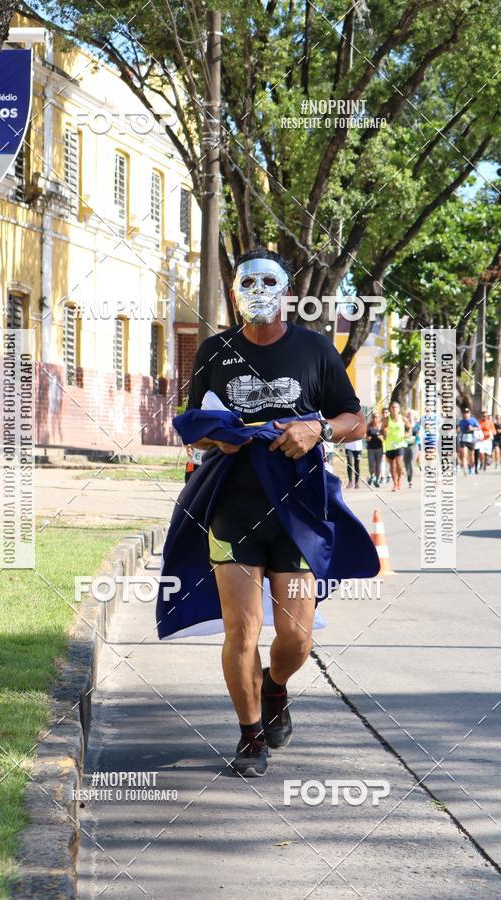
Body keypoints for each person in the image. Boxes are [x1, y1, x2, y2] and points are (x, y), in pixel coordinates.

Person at [176, 247, 378, 777]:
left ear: (287, 291)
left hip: (298, 510)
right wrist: (212, 440)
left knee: (296, 637)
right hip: (232, 509)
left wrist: (318, 428)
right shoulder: (214, 351)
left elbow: (356, 421)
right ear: (235, 290)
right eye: (247, 281)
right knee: (241, 629)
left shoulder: (315, 350)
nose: (257, 289)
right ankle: (249, 737)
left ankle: (274, 686)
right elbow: (194, 426)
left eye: (269, 280)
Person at [383, 400, 407, 491]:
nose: (394, 409)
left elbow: (409, 427)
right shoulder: (386, 419)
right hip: (389, 445)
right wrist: (384, 433)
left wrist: (408, 433)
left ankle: (400, 478)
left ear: (399, 409)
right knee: (392, 466)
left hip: (400, 444)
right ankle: (395, 483)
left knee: (399, 462)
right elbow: (382, 431)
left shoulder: (403, 418)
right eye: (392, 407)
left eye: (396, 407)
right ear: (390, 409)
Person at [458, 408, 480, 474]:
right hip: (463, 439)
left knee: (471, 456)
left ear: (469, 413)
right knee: (464, 454)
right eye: (465, 413)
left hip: (471, 439)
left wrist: (473, 428)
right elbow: (459, 429)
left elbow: (479, 427)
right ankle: (465, 469)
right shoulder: (461, 421)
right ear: (463, 414)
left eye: (467, 413)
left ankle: (471, 467)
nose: (466, 414)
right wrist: (458, 430)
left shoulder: (473, 420)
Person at [403, 409, 421, 488]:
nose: (410, 416)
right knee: (406, 463)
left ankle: (410, 481)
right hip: (405, 445)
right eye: (409, 414)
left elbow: (419, 436)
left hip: (414, 446)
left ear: (414, 416)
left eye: (411, 414)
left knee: (411, 463)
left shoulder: (417, 425)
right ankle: (408, 476)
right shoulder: (404, 425)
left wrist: (418, 437)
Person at [366, 413, 383, 487]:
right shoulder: (369, 426)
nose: (375, 418)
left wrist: (382, 437)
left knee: (378, 465)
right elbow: (365, 435)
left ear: (379, 418)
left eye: (377, 417)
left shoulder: (381, 426)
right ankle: (372, 476)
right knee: (371, 464)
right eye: (374, 417)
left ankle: (377, 480)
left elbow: (385, 436)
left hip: (379, 448)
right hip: (370, 448)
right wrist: (367, 438)